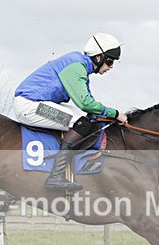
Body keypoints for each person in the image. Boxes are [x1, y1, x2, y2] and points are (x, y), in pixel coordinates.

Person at [13, 33, 128, 191]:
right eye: (109, 61)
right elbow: (85, 103)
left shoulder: (81, 66)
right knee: (81, 122)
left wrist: (106, 116)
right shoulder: (76, 66)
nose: (111, 66)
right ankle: (56, 176)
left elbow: (89, 104)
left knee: (87, 118)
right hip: (30, 105)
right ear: (98, 57)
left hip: (38, 102)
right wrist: (115, 113)